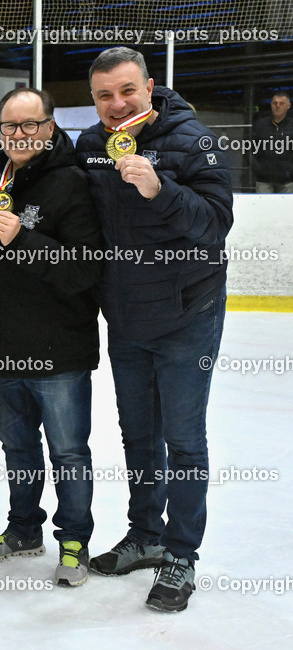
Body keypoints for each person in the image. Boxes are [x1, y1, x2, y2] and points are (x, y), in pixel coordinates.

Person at [76, 47, 233, 611]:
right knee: (138, 437)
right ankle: (145, 534)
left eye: (126, 91)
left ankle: (181, 555)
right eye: (103, 96)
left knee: (184, 441)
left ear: (149, 86)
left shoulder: (193, 141)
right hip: (126, 318)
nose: (117, 105)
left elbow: (217, 224)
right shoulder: (92, 146)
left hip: (188, 315)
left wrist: (160, 190)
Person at [0, 88, 102, 587]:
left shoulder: (74, 181)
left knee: (67, 451)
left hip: (57, 348)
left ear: (49, 126)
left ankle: (74, 542)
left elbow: (85, 269)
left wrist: (25, 237)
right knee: (17, 448)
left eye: (29, 125)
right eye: (9, 126)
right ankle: (23, 530)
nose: (18, 136)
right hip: (1, 344)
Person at [251, 91, 293, 193]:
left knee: (287, 209)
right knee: (263, 208)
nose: (277, 106)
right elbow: (248, 149)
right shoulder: (259, 125)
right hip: (263, 180)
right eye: (275, 103)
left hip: (288, 180)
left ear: (288, 106)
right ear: (271, 105)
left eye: (281, 103)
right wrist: (258, 169)